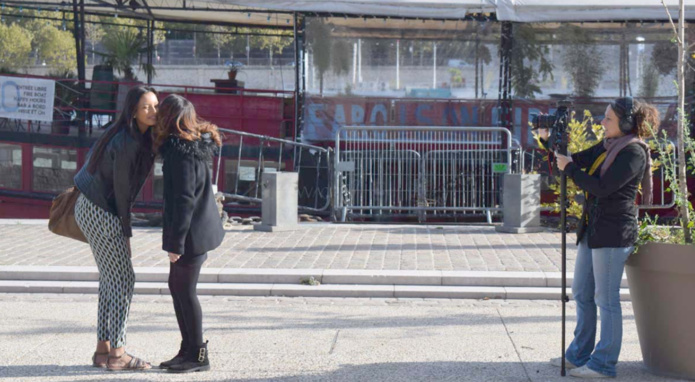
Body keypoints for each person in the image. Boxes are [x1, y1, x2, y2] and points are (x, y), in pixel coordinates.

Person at [541, 97, 658, 378]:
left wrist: (569, 168)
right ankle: (579, 354)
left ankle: (604, 364)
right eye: (603, 117)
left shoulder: (633, 153)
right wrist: (550, 142)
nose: (602, 122)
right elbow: (574, 161)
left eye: (608, 119)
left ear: (627, 124)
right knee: (582, 294)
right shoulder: (607, 146)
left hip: (614, 232)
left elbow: (602, 187)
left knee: (606, 300)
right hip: (592, 230)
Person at [73, 86, 158, 371]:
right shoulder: (128, 142)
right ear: (134, 111)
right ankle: (118, 353)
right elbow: (122, 192)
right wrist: (126, 231)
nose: (153, 111)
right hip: (102, 211)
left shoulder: (122, 132)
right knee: (125, 280)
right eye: (146, 107)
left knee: (110, 278)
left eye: (156, 106)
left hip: (88, 206)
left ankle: (103, 349)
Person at [153, 94, 225, 373]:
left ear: (168, 118)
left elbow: (185, 199)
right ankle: (187, 349)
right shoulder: (191, 146)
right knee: (178, 289)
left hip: (191, 235)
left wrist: (176, 243)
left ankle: (198, 356)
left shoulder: (181, 151)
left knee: (185, 291)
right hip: (196, 231)